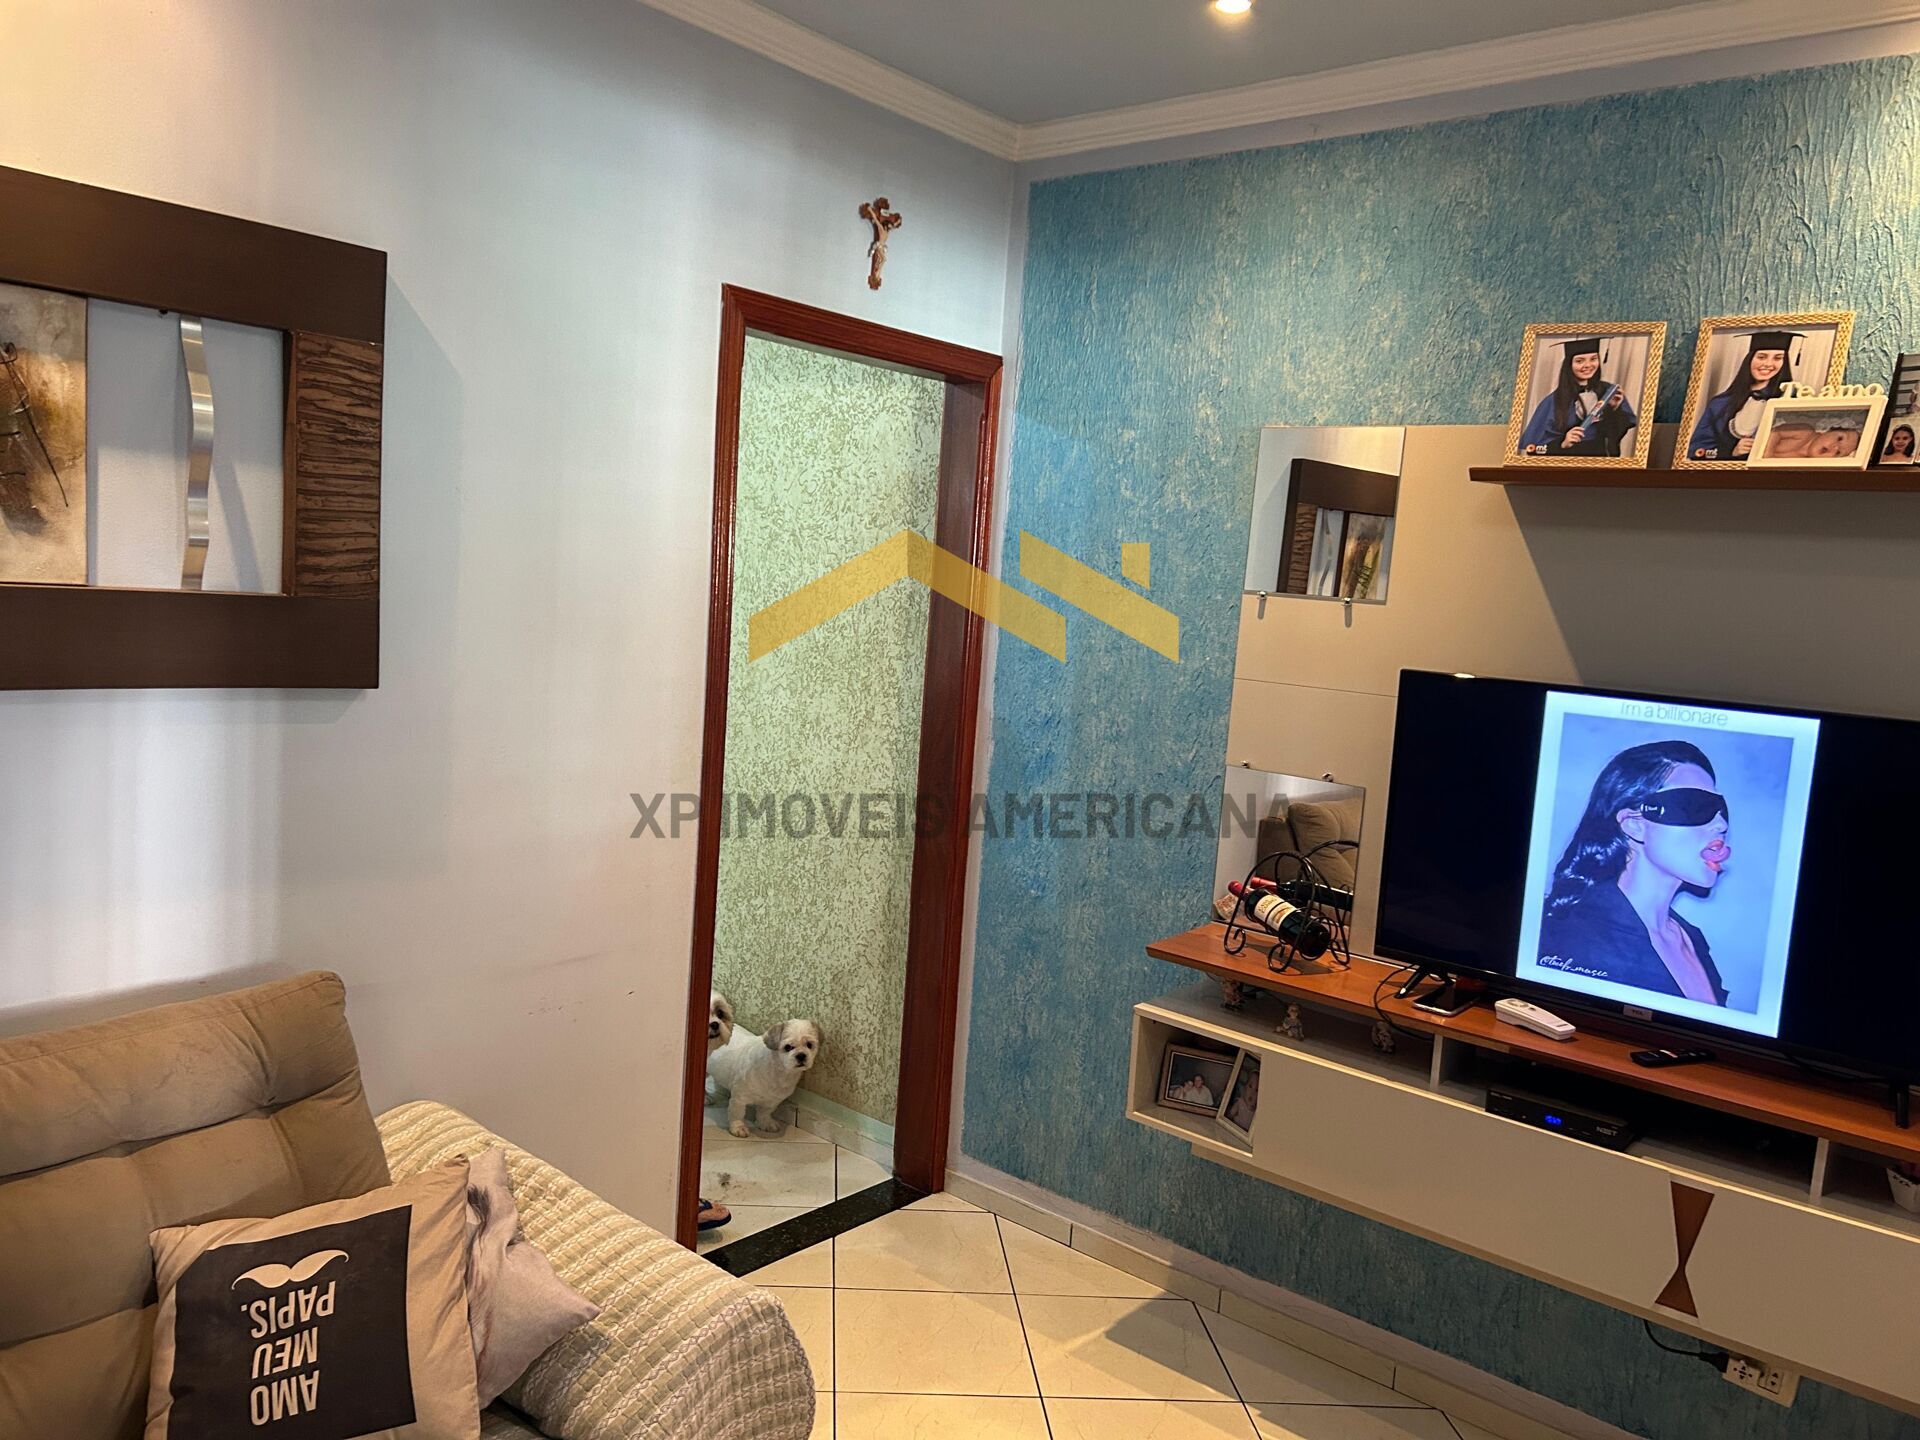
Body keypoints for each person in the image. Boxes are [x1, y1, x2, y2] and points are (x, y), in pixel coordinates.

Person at [1537, 740, 1731, 1006]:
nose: (1720, 824)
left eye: (1721, 809)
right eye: (1694, 806)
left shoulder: (1691, 939)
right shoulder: (1568, 933)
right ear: (1634, 825)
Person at [1687, 330, 1799, 461]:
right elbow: (1696, 451)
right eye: (1761, 357)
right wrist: (1730, 452)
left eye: (1778, 358)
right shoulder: (1720, 403)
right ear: (1750, 359)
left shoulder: (1791, 401)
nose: (1768, 364)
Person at [1519, 338, 1638, 457]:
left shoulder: (1608, 391)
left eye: (1593, 359)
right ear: (1569, 364)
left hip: (1601, 458)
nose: (1588, 365)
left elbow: (1617, 433)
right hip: (1569, 460)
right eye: (1579, 361)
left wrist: (1616, 409)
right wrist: (1562, 443)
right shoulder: (1553, 400)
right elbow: (1532, 448)